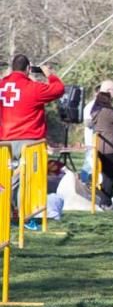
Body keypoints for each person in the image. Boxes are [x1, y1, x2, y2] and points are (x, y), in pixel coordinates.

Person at [0, 55, 65, 225]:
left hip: (4, 141)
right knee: (27, 179)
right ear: (28, 69)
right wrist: (50, 74)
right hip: (29, 142)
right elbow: (58, 89)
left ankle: (6, 212)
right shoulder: (33, 88)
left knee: (7, 180)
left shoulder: (2, 85)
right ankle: (24, 216)